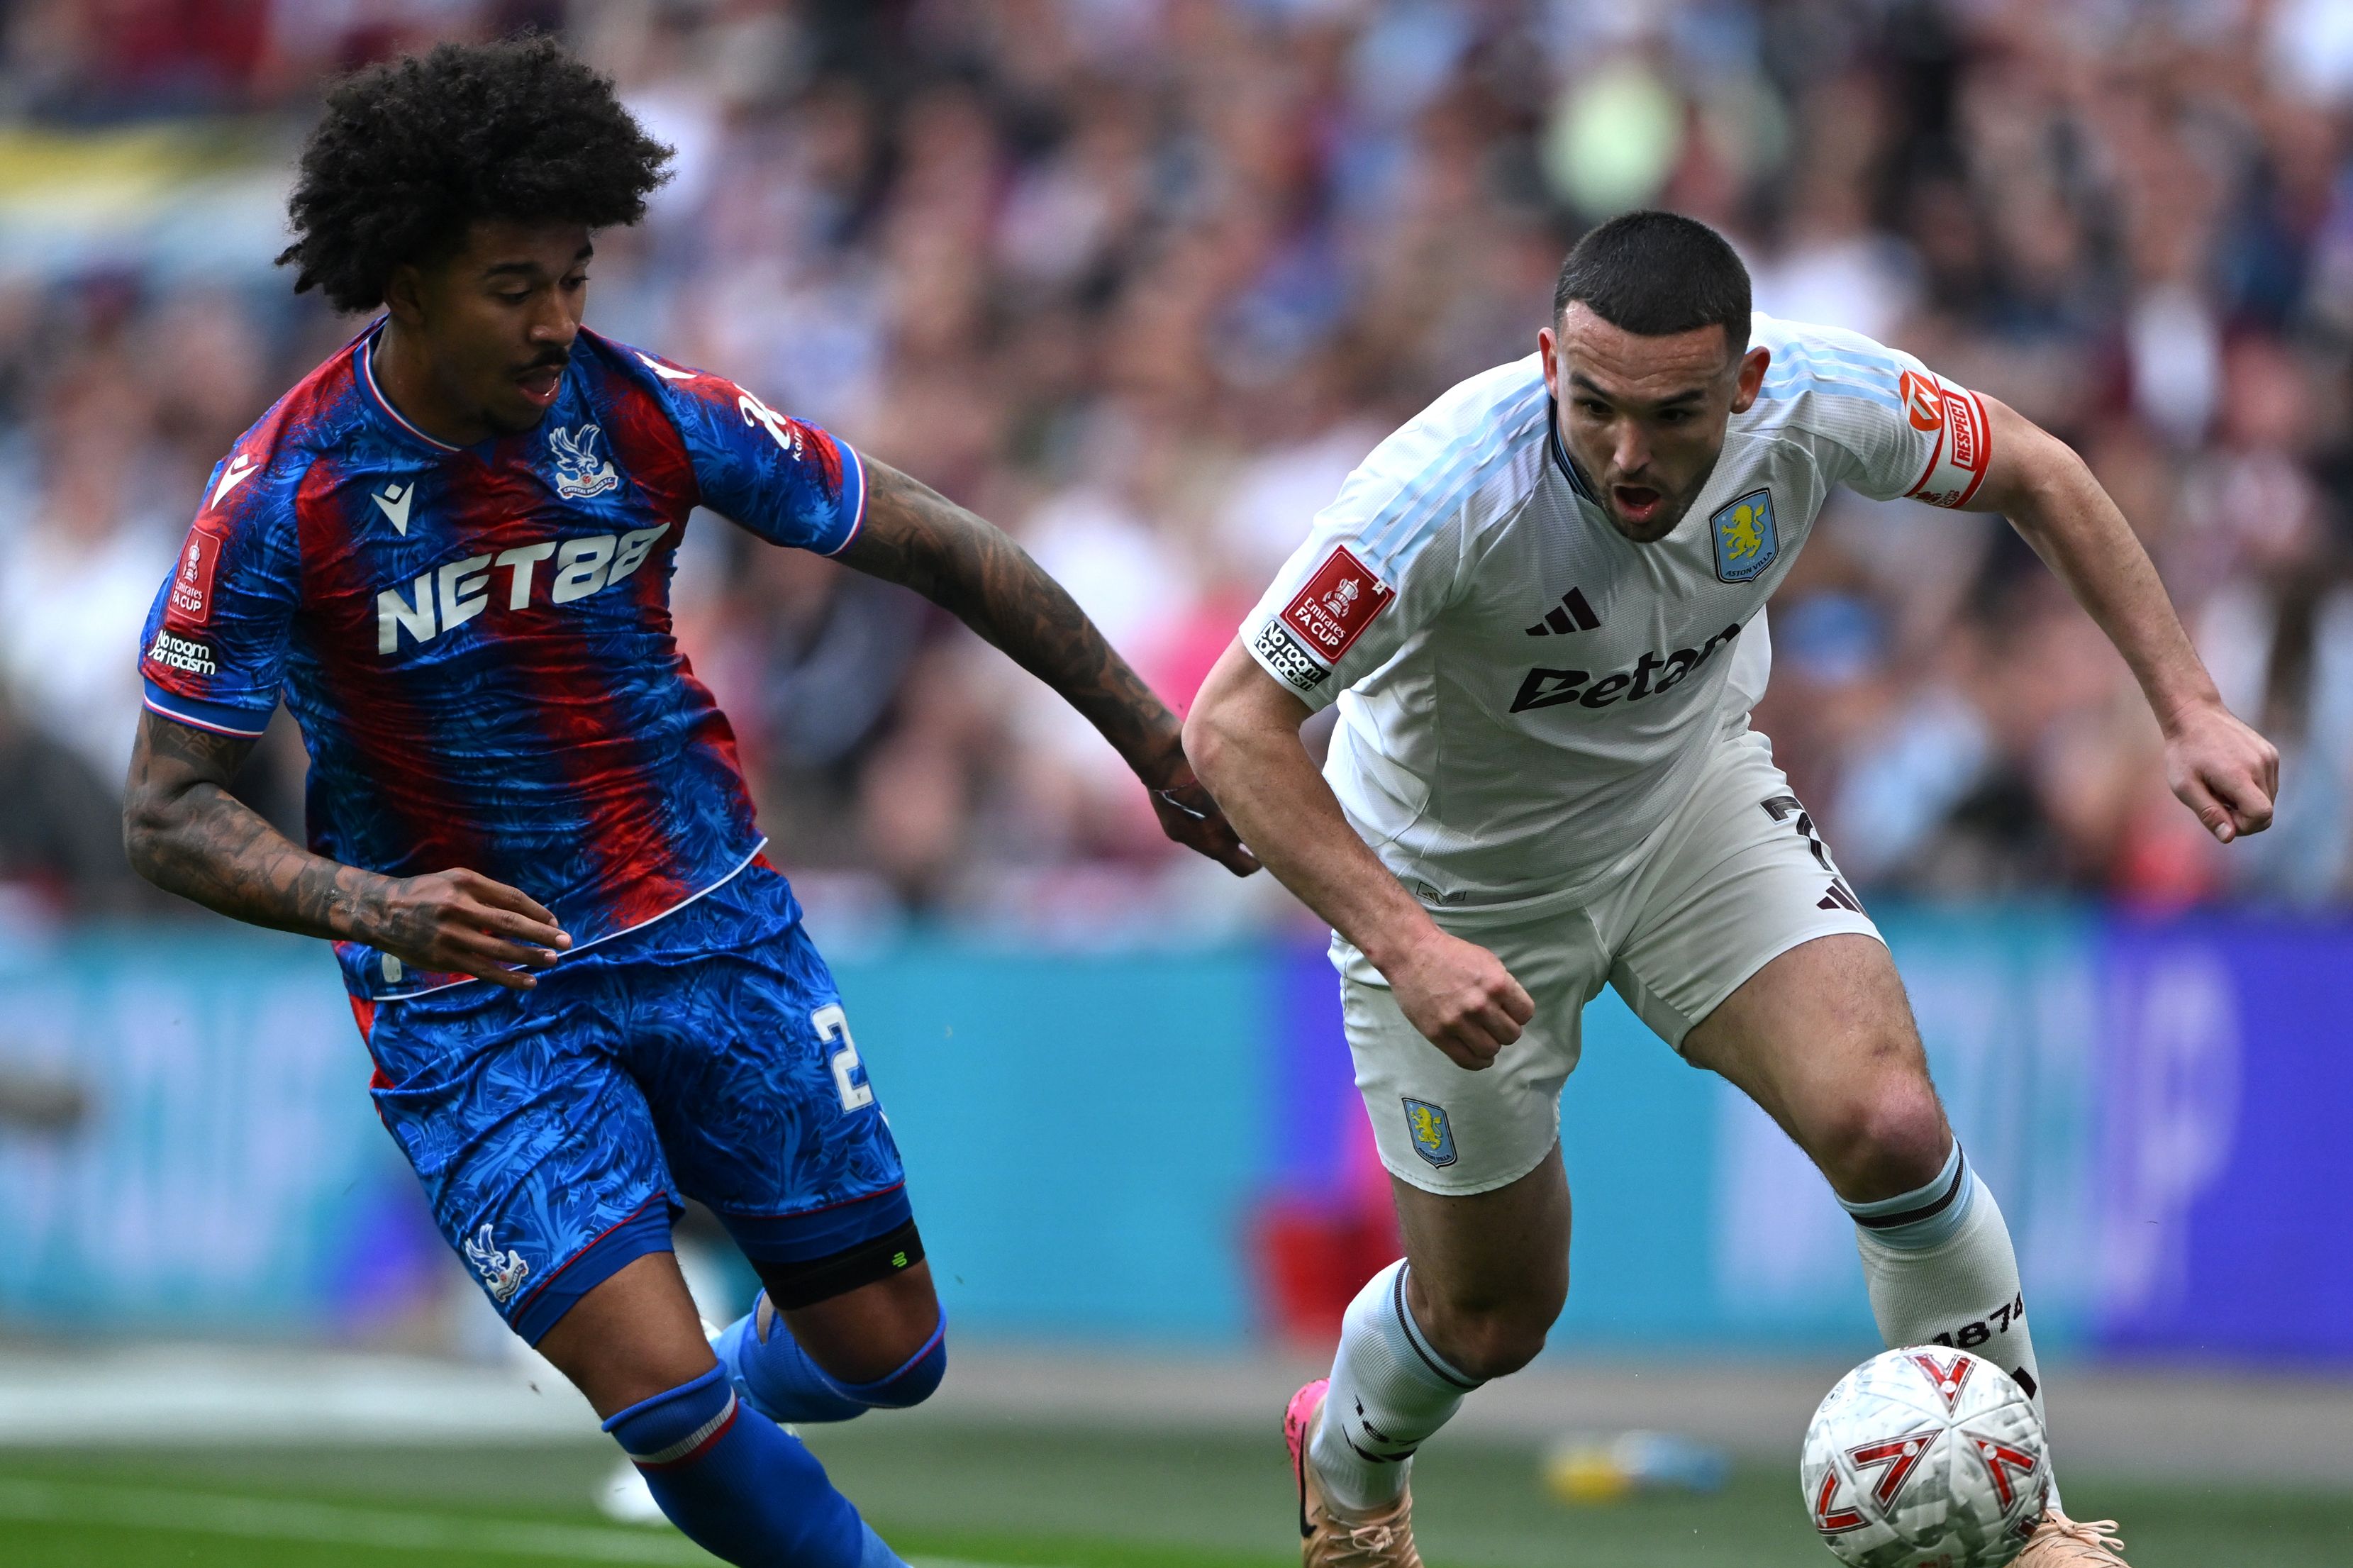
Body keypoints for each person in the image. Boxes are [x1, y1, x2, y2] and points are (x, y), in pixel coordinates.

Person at [121, 38, 1253, 1568]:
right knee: (659, 1406)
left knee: (889, 1353)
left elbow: (933, 538)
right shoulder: (282, 496)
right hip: (475, 990)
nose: (559, 318)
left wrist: (1152, 740)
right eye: (516, 283)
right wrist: (380, 906)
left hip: (710, 927)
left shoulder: (643, 414)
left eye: (577, 275)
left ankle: (724, 1392)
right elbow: (165, 808)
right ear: (405, 272)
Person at [1183, 211, 2276, 1568]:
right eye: (1592, 409)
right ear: (1546, 367)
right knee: (1492, 1318)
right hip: (1453, 893)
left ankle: (2022, 1517)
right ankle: (1345, 1466)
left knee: (1888, 1122)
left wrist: (2186, 707)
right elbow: (1230, 727)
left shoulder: (1826, 398)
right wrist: (1405, 941)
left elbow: (2040, 470)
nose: (1627, 454)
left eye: (1673, 415)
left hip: (1688, 811)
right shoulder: (1433, 499)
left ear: (1746, 386)